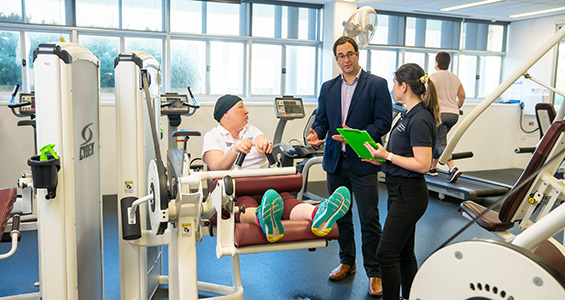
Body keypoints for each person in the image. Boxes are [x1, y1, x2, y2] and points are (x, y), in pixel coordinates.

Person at [307, 36, 392, 296]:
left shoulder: (376, 85)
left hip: (363, 161)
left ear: (357, 55)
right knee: (341, 216)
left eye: (349, 54)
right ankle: (347, 261)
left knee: (369, 219)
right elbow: (322, 120)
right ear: (336, 59)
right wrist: (315, 134)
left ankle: (375, 272)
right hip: (335, 162)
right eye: (341, 56)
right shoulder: (328, 87)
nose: (346, 60)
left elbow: (383, 123)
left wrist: (355, 136)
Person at [202, 94, 351, 243]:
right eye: (241, 107)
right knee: (244, 202)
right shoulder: (213, 136)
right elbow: (216, 167)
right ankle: (262, 218)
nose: (247, 111)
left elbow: (261, 139)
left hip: (266, 186)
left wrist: (263, 144)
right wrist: (235, 149)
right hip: (237, 189)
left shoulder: (252, 130)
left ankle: (318, 213)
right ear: (226, 113)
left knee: (285, 200)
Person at [362, 63, 439, 300]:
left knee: (386, 253)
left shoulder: (420, 119)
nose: (392, 88)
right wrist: (379, 158)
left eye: (394, 83)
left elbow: (423, 164)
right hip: (398, 191)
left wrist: (387, 155)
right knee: (404, 252)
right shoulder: (406, 114)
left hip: (410, 194)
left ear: (404, 86)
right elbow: (400, 156)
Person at [428, 51, 466, 183]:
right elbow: (462, 96)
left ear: (437, 62)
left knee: (440, 142)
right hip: (453, 115)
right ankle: (432, 168)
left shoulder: (433, 76)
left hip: (440, 114)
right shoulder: (455, 77)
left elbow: (427, 95)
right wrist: (456, 107)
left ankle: (453, 168)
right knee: (438, 140)